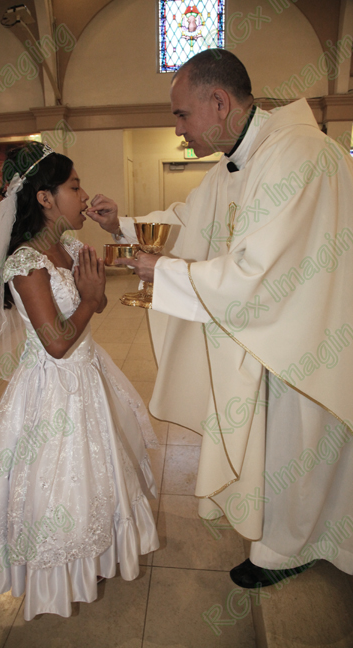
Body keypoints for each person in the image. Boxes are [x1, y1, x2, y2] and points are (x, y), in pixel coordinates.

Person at [87, 49, 353, 588]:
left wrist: (164, 272)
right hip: (270, 334)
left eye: (181, 114)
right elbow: (189, 223)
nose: (178, 129)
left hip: (301, 342)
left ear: (219, 102)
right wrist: (124, 226)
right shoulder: (236, 163)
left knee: (298, 444)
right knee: (277, 445)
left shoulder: (296, 154)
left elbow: (260, 273)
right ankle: (283, 534)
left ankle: (290, 546)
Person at [0, 142, 159, 620]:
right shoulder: (26, 263)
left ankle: (96, 555)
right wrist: (90, 299)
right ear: (45, 198)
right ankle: (60, 569)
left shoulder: (70, 247)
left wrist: (96, 289)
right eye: (75, 187)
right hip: (52, 386)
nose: (84, 196)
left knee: (97, 473)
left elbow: (95, 303)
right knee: (58, 482)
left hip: (88, 374)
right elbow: (57, 343)